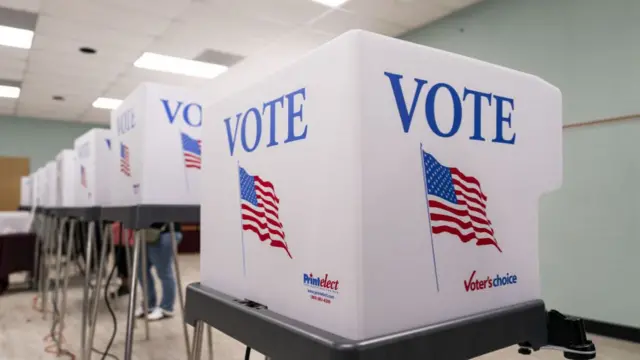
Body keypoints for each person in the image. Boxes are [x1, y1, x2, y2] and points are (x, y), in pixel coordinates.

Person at [135, 222, 182, 321]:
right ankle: (149, 304)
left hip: (166, 231)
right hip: (147, 231)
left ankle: (166, 307)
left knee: (164, 271)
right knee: (140, 269)